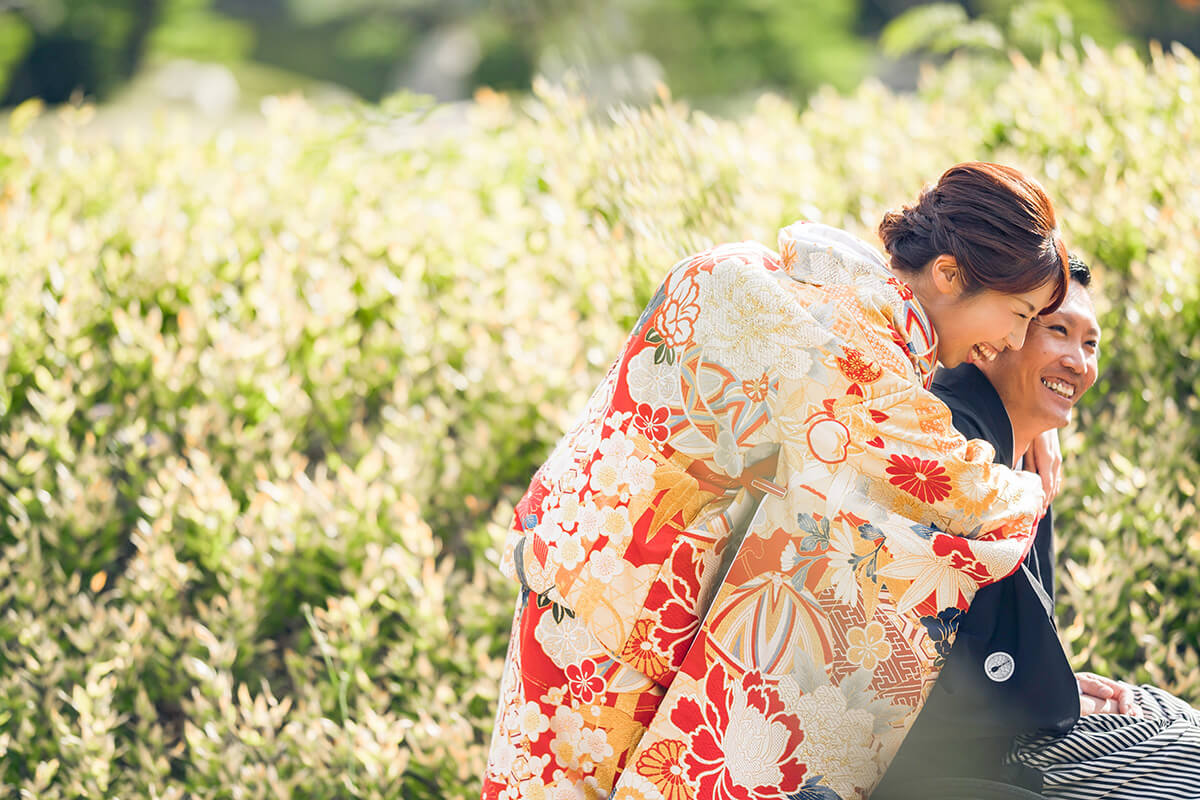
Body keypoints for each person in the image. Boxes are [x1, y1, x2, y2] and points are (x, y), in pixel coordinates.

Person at [482, 162, 1070, 800]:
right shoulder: (848, 346)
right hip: (623, 607)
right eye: (1018, 313)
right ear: (949, 273)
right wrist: (1028, 475)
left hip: (584, 556)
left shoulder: (801, 284)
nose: (1014, 342)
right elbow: (956, 493)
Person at [877, 258, 1200, 800]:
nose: (1079, 361)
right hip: (930, 765)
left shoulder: (1023, 457)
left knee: (1174, 725)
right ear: (1004, 332)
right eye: (1058, 329)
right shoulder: (949, 445)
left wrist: (1053, 683)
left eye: (1091, 343)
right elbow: (919, 657)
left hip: (1005, 737)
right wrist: (1047, 689)